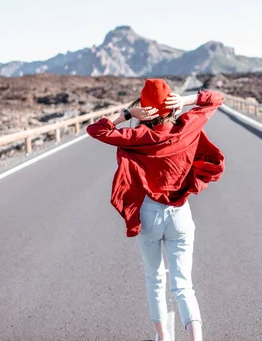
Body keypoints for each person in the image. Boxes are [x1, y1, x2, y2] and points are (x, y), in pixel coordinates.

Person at [86, 78, 225, 341]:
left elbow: (96, 130)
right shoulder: (187, 127)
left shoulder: (138, 136)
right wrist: (185, 101)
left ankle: (164, 337)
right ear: (170, 104)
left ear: (144, 108)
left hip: (149, 215)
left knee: (155, 279)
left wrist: (127, 114)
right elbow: (217, 98)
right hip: (180, 215)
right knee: (184, 286)